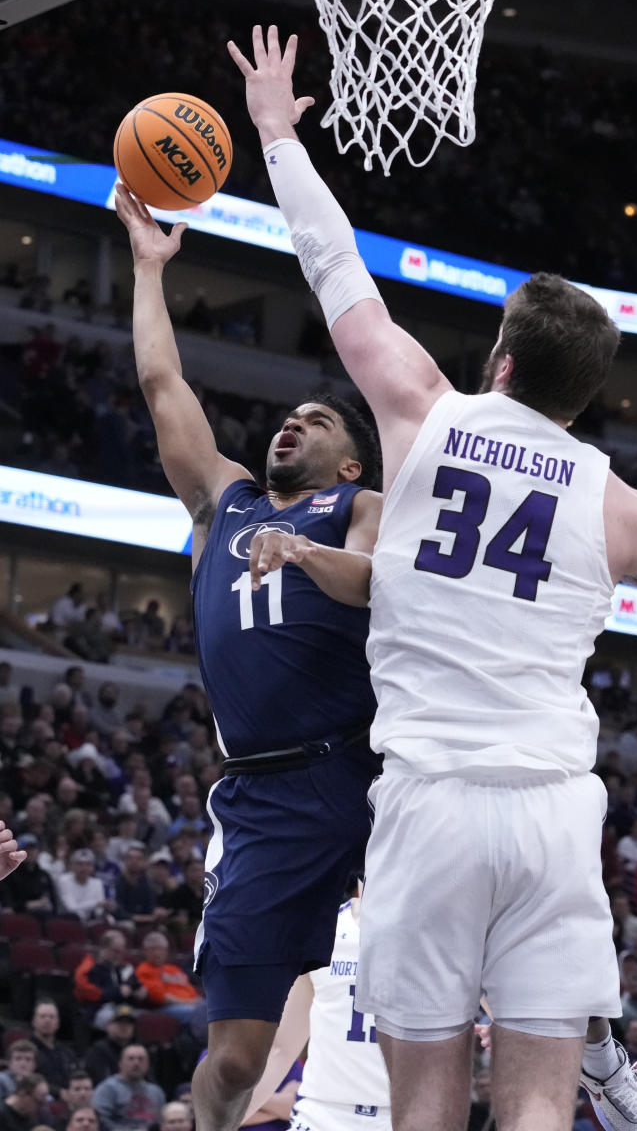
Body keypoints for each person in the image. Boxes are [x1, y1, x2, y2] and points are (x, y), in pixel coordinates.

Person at [228, 24, 637, 1131]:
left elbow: (334, 264)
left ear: (500, 360)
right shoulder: (621, 506)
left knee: (425, 1109)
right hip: (549, 814)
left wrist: (277, 138)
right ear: (582, 402)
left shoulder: (422, 407)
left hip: (430, 800)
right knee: (541, 1108)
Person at [114, 181, 383, 1131]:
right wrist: (149, 270)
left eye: (319, 421)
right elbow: (162, 386)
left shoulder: (359, 511)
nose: (293, 422)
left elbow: (382, 586)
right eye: (290, 416)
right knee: (232, 1057)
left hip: (369, 776)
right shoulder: (222, 504)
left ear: (350, 463)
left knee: (443, 993)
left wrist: (311, 550)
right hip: (262, 797)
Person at [243, 882, 391, 1129]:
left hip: (407, 1112)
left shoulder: (443, 935)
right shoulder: (320, 931)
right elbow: (281, 1049)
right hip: (323, 1113)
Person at [91, 1045, 165, 1131]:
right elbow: (100, 1120)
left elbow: (162, 1121)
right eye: (131, 1058)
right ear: (120, 1064)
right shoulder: (107, 1089)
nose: (136, 1063)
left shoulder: (156, 1092)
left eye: (141, 1059)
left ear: (148, 1064)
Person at [30, 1000, 77, 1100]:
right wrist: (58, 1092)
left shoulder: (67, 1053)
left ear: (58, 1023)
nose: (47, 1020)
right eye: (42, 1016)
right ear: (34, 1021)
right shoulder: (27, 1050)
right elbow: (28, 1079)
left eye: (52, 1017)